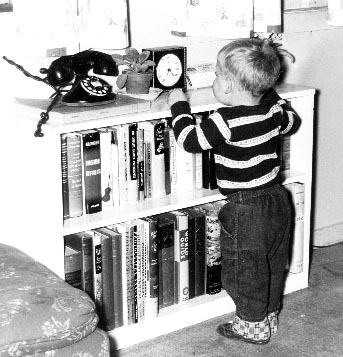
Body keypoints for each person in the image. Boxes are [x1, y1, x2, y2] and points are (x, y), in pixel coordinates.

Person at [167, 37, 300, 345]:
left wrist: (178, 104)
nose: (213, 80)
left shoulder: (224, 120)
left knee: (243, 269)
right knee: (271, 261)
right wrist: (270, 95)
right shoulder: (273, 111)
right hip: (277, 200)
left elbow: (189, 139)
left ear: (228, 86)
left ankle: (251, 326)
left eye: (215, 75)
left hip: (245, 207)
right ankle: (269, 316)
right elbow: (291, 120)